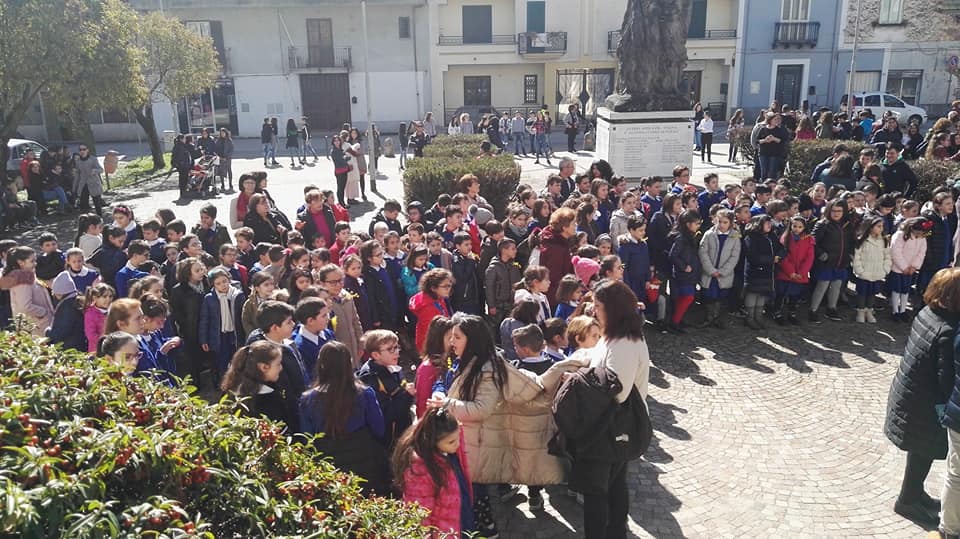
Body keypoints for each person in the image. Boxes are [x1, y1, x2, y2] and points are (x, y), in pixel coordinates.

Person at [427, 313, 581, 538]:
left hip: (473, 444)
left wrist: (446, 403)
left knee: (474, 492)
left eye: (457, 337)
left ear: (472, 339)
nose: (452, 342)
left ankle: (486, 530)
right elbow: (445, 378)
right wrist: (439, 390)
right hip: (463, 440)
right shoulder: (463, 360)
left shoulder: (485, 370)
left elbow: (481, 409)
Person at [570, 280, 649, 539]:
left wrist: (579, 382)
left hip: (613, 427)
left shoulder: (624, 343)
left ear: (614, 308)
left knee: (598, 491)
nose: (593, 311)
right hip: (608, 426)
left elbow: (618, 391)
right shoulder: (611, 335)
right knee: (614, 485)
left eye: (599, 306)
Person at [894, 269, 960, 531]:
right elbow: (947, 379)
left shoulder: (927, 312)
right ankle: (908, 500)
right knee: (924, 450)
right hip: (927, 403)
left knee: (920, 451)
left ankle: (913, 493)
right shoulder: (948, 329)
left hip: (913, 394)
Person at [299, 341, 390, 495]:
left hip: (329, 463)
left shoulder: (308, 399)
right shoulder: (364, 393)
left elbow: (307, 437)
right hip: (364, 459)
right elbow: (379, 429)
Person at [393, 407, 473, 538]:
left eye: (458, 437)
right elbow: (420, 514)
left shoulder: (449, 449)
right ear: (432, 441)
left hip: (459, 518)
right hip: (442, 531)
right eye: (452, 442)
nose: (458, 444)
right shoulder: (420, 469)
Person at [356, 329, 414, 449]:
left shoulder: (392, 367)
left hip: (401, 434)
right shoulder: (370, 379)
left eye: (397, 347)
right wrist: (407, 395)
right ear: (375, 355)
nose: (397, 352)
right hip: (388, 442)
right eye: (390, 349)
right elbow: (386, 414)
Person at [809, 200, 856, 323]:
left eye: (839, 211)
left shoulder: (847, 224)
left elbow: (852, 242)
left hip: (841, 261)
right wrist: (821, 254)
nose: (836, 213)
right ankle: (813, 310)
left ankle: (832, 308)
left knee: (836, 286)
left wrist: (850, 254)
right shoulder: (822, 224)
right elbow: (813, 242)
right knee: (822, 286)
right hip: (826, 262)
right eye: (833, 210)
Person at [220, 341, 287, 425]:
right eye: (278, 364)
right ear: (264, 367)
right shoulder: (270, 399)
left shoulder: (230, 389)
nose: (281, 368)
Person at [199, 268, 246, 379]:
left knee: (236, 359)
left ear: (229, 279)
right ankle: (222, 383)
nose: (223, 285)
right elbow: (205, 320)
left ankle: (235, 382)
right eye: (218, 283)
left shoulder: (237, 295)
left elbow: (242, 316)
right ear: (213, 285)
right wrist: (204, 339)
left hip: (234, 334)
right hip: (219, 335)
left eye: (224, 281)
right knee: (221, 360)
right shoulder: (209, 299)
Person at [699, 209, 741, 328]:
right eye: (720, 221)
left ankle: (716, 317)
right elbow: (703, 252)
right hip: (710, 273)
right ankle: (709, 316)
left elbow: (734, 256)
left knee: (720, 296)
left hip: (724, 274)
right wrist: (711, 270)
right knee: (708, 295)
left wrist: (723, 271)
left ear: (731, 223)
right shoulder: (709, 234)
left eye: (725, 222)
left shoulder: (734, 236)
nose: (721, 225)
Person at [1, 246, 54, 336]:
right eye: (32, 261)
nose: (35, 263)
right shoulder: (23, 280)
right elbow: (24, 306)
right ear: (21, 262)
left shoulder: (27, 276)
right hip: (35, 327)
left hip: (37, 324)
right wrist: (44, 312)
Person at [851, 215, 892, 324]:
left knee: (872, 294)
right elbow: (856, 257)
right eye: (878, 226)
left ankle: (869, 310)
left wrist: (885, 269)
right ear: (870, 227)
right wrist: (860, 271)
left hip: (877, 272)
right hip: (865, 272)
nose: (881, 229)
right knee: (862, 293)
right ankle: (860, 311)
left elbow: (887, 256)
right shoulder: (862, 240)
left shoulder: (884, 241)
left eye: (882, 226)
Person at [667, 209, 702, 333]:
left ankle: (678, 319)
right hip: (683, 274)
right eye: (696, 223)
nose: (698, 226)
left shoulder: (690, 236)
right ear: (688, 224)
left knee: (684, 298)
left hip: (690, 273)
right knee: (688, 297)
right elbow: (673, 255)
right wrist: (684, 266)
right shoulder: (681, 238)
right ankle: (674, 322)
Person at [889, 217, 929, 322]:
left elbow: (921, 253)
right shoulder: (900, 235)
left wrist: (914, 266)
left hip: (910, 269)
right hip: (898, 269)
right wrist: (904, 267)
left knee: (905, 290)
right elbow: (895, 252)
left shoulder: (922, 238)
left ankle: (903, 310)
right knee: (896, 289)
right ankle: (895, 310)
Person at [409, 268, 453, 352]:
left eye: (450, 285)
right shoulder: (427, 307)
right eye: (445, 286)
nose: (449, 289)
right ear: (433, 288)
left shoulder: (438, 298)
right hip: (431, 348)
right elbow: (432, 334)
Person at [74, 144, 105, 216]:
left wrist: (94, 171)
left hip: (94, 183)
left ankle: (100, 220)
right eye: (80, 149)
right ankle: (86, 221)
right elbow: (77, 174)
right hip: (83, 184)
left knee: (97, 204)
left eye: (84, 149)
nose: (82, 151)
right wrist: (74, 187)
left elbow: (101, 169)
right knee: (84, 205)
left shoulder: (93, 159)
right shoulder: (78, 161)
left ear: (87, 150)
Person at [757, 112, 789, 180]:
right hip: (763, 153)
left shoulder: (779, 130)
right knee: (764, 172)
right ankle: (764, 186)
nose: (776, 121)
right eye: (775, 119)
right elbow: (757, 141)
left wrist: (774, 139)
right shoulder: (763, 129)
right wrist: (765, 140)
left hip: (774, 154)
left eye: (777, 119)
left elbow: (782, 141)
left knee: (772, 172)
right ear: (770, 120)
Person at [171, 134, 194, 199]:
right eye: (184, 138)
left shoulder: (181, 145)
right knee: (183, 179)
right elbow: (180, 156)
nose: (185, 140)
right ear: (181, 139)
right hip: (182, 166)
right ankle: (183, 192)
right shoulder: (179, 146)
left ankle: (184, 192)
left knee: (184, 179)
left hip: (184, 165)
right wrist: (181, 163)